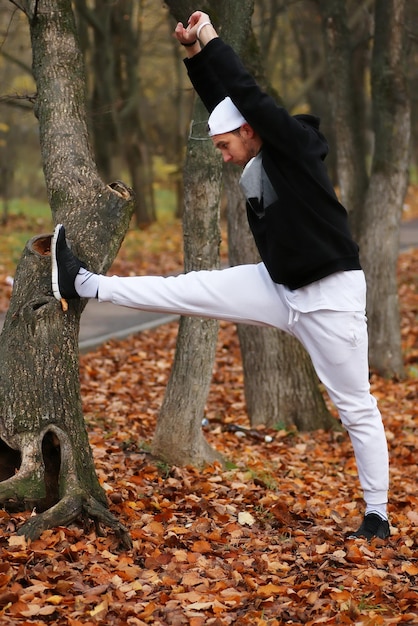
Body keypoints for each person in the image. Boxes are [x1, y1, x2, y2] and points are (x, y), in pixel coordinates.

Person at [51, 10, 390, 540]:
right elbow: (226, 107)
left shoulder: (294, 150)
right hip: (276, 285)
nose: (226, 158)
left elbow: (246, 97)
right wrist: (194, 56)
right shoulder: (245, 134)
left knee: (356, 407)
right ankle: (83, 283)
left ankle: (377, 514)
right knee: (185, 289)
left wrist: (212, 38)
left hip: (330, 297)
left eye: (226, 146)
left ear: (251, 132)